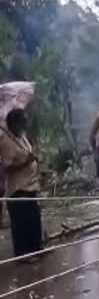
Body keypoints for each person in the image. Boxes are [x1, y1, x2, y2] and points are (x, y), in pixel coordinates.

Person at [0, 109, 43, 258]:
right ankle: (23, 255)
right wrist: (26, 161)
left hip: (31, 184)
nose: (25, 124)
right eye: (22, 122)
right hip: (18, 188)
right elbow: (7, 167)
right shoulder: (5, 140)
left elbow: (28, 154)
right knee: (21, 223)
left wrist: (34, 158)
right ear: (14, 124)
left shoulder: (21, 136)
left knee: (34, 219)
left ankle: (37, 248)